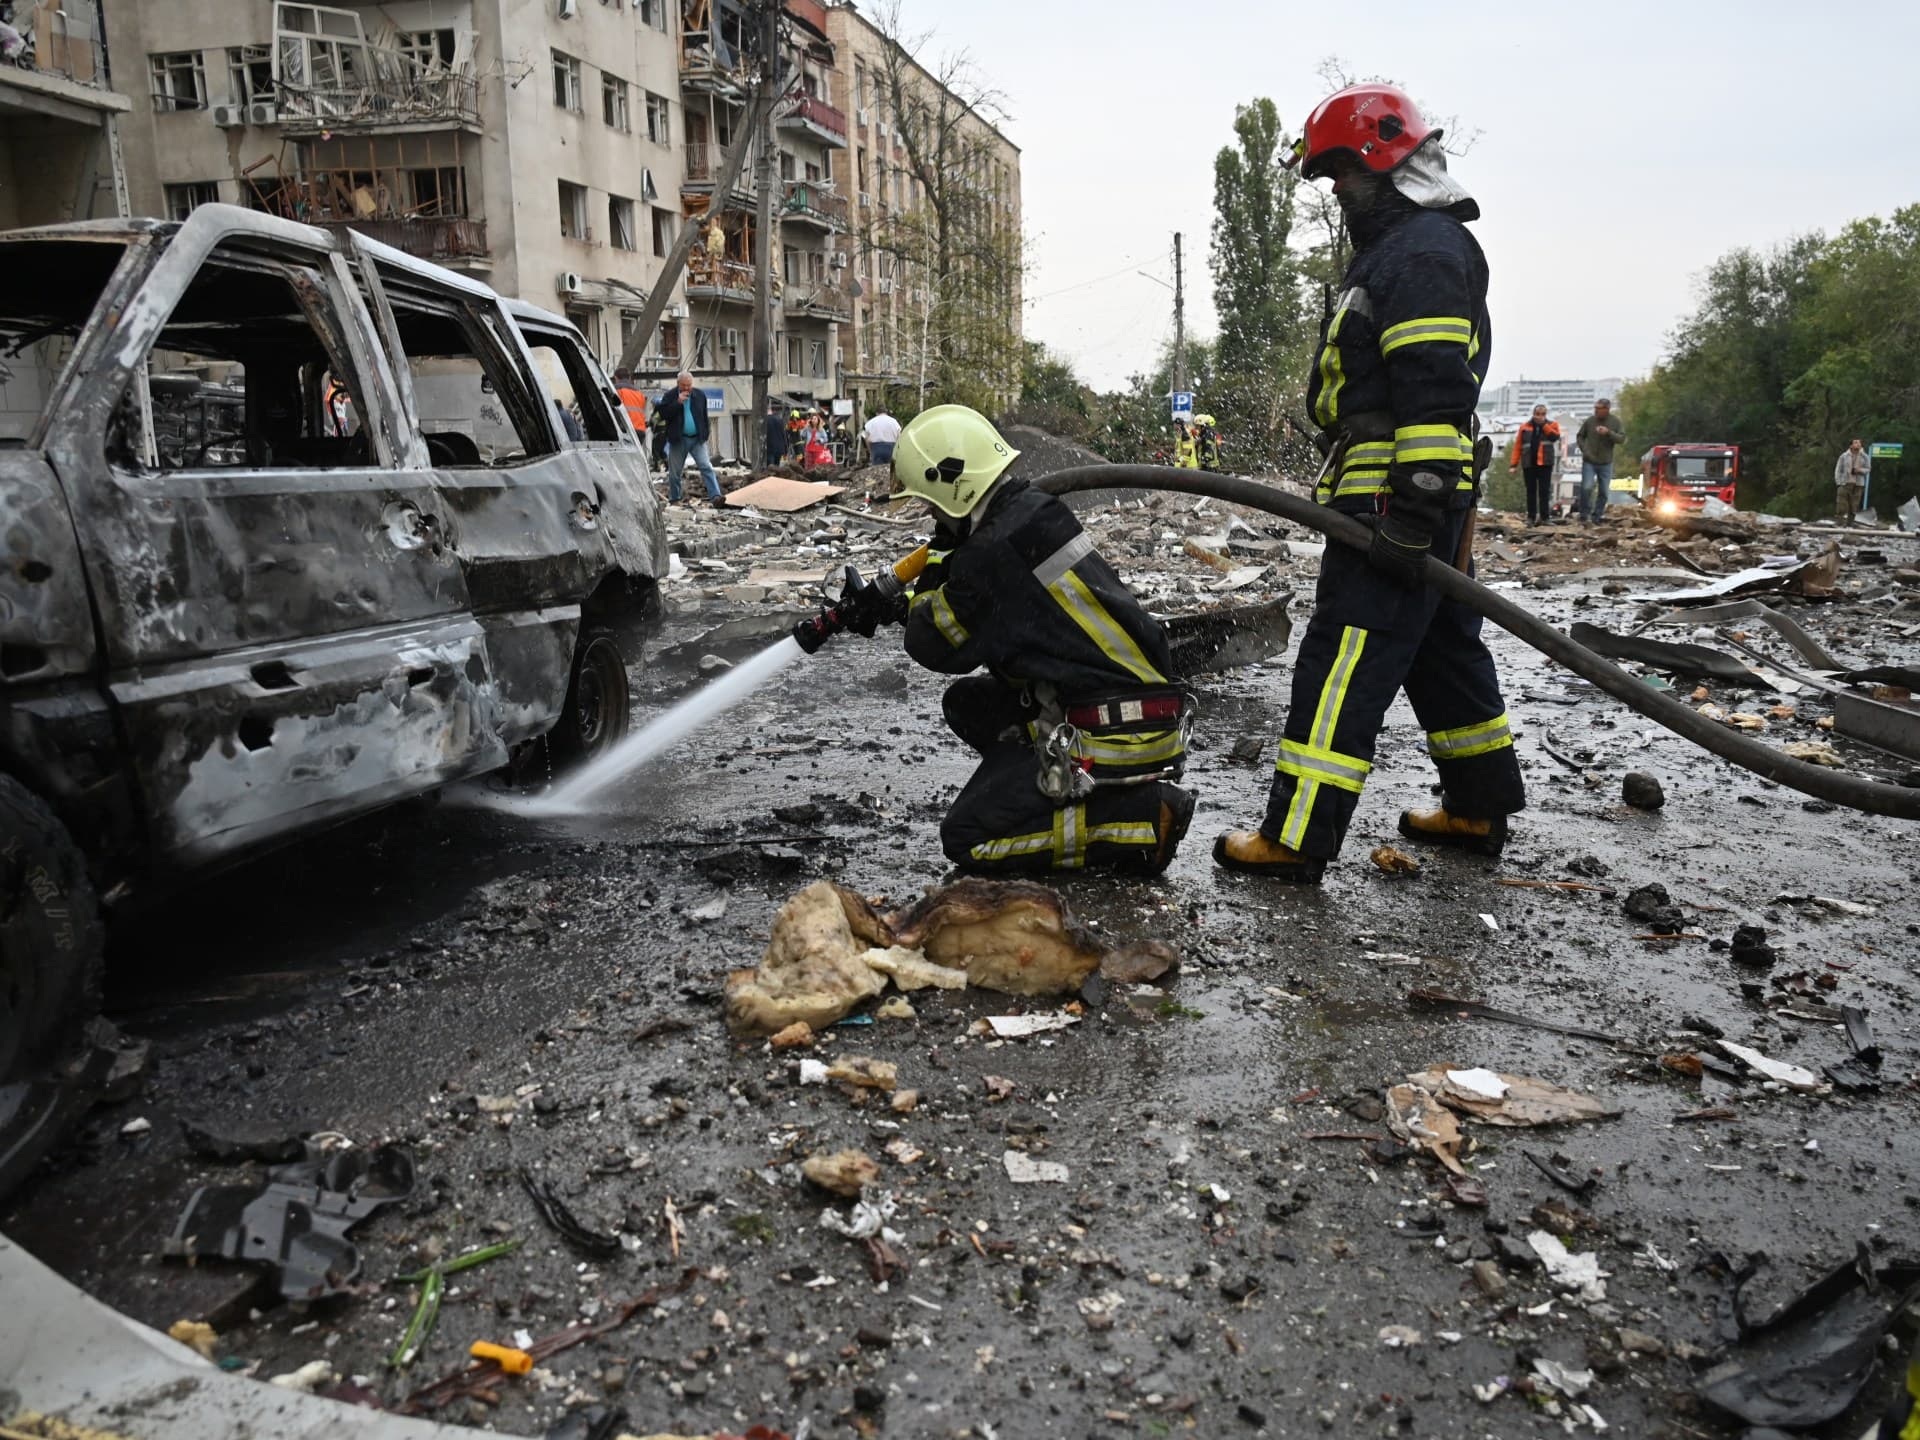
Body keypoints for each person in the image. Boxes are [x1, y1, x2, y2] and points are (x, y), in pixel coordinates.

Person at [1214, 82, 1523, 883]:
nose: (1337, 192)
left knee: (1345, 654)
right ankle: (1477, 805)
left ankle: (1296, 838)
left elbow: (1430, 381)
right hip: (1414, 492)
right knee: (1442, 651)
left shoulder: (1420, 250)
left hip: (1396, 492)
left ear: (1382, 160)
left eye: (1341, 175)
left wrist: (1415, 502)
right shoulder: (1407, 247)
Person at [891, 405, 1195, 872]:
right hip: (1134, 706)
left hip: (1118, 728)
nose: (928, 511)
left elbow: (933, 645)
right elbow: (991, 609)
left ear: (950, 483)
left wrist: (934, 565)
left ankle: (1139, 818)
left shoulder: (988, 552)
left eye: (928, 500)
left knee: (967, 839)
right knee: (968, 703)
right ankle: (1044, 782)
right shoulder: (1031, 512)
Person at [655, 371, 722, 504]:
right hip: (678, 439)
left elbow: (704, 416)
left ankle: (716, 496)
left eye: (689, 385)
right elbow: (663, 414)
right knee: (675, 473)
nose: (686, 388)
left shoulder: (699, 395)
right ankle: (675, 498)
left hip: (697, 439)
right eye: (684, 385)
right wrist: (678, 402)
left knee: (706, 466)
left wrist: (705, 434)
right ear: (678, 383)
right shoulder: (670, 396)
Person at [1575, 398, 1625, 523]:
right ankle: (1584, 514)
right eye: (1595, 408)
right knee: (1587, 487)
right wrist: (1584, 449)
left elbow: (1621, 439)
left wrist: (1608, 433)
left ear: (1607, 409)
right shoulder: (1590, 421)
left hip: (1606, 462)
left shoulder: (1615, 422)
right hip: (1589, 461)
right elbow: (1580, 436)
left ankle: (1597, 516)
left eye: (1599, 408)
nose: (1596, 411)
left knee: (1604, 491)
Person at [1510, 403, 1560, 525]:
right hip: (1529, 463)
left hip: (1545, 463)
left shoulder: (1552, 425)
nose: (1540, 416)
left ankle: (1545, 517)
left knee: (1544, 491)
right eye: (1538, 414)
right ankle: (1531, 517)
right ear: (1533, 414)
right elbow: (1518, 446)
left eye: (1543, 414)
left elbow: (1554, 437)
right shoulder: (1525, 427)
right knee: (1530, 491)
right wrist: (1513, 465)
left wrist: (1544, 425)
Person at [1833, 438, 1870, 525]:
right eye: (1855, 442)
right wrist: (1838, 482)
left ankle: (1850, 523)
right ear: (1851, 445)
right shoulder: (1844, 456)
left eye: (1859, 443)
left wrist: (1860, 470)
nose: (1858, 444)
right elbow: (1838, 469)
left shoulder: (1865, 456)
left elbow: (1868, 469)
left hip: (1858, 483)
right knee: (1841, 503)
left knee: (1854, 504)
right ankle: (1840, 522)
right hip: (1845, 482)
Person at [614, 368, 648, 439]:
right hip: (640, 431)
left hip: (626, 430)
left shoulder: (617, 390)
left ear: (616, 378)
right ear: (629, 378)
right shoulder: (639, 393)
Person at [763, 402, 788, 469]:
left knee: (770, 468)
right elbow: (784, 435)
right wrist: (785, 450)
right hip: (779, 448)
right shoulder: (780, 420)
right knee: (776, 467)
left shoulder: (764, 421)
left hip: (770, 448)